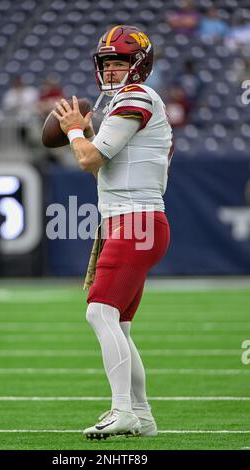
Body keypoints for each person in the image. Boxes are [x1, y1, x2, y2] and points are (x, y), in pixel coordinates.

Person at [51, 25, 173, 440]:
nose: (112, 70)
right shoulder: (126, 101)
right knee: (117, 324)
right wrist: (81, 131)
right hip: (129, 221)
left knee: (98, 312)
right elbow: (99, 158)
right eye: (107, 63)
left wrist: (73, 129)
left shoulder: (136, 97)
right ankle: (142, 415)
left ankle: (122, 410)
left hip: (136, 220)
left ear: (138, 65)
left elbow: (88, 160)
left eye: (120, 62)